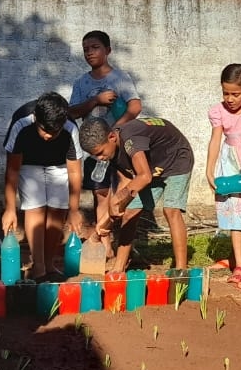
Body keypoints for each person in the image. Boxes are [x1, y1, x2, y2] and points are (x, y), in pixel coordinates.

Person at [80, 116, 192, 271]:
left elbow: (144, 177)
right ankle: (119, 267)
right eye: (94, 155)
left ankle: (181, 270)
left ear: (112, 137)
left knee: (171, 210)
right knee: (130, 213)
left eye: (100, 153)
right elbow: (126, 181)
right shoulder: (112, 151)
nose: (99, 158)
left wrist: (116, 200)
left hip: (176, 159)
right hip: (150, 168)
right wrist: (106, 218)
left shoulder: (131, 141)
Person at [68, 30, 141, 246]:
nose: (90, 53)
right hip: (95, 148)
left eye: (95, 47)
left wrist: (116, 130)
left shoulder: (120, 78)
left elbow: (135, 106)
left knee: (123, 194)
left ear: (108, 50)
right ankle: (105, 243)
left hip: (120, 147)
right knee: (100, 192)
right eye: (86, 50)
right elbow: (72, 112)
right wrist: (95, 101)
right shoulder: (81, 83)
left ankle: (125, 244)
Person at [2, 92, 83, 280]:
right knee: (35, 208)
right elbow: (13, 170)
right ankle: (38, 266)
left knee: (58, 210)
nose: (48, 136)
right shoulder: (21, 123)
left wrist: (74, 209)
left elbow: (74, 171)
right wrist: (10, 208)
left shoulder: (70, 128)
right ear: (35, 118)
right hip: (28, 165)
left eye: (54, 132)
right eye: (44, 130)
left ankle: (49, 263)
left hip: (60, 166)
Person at [206, 64, 241, 283]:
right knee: (237, 212)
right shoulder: (218, 111)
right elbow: (216, 139)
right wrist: (209, 168)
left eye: (235, 94)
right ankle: (239, 264)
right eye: (225, 93)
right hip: (230, 164)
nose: (229, 99)